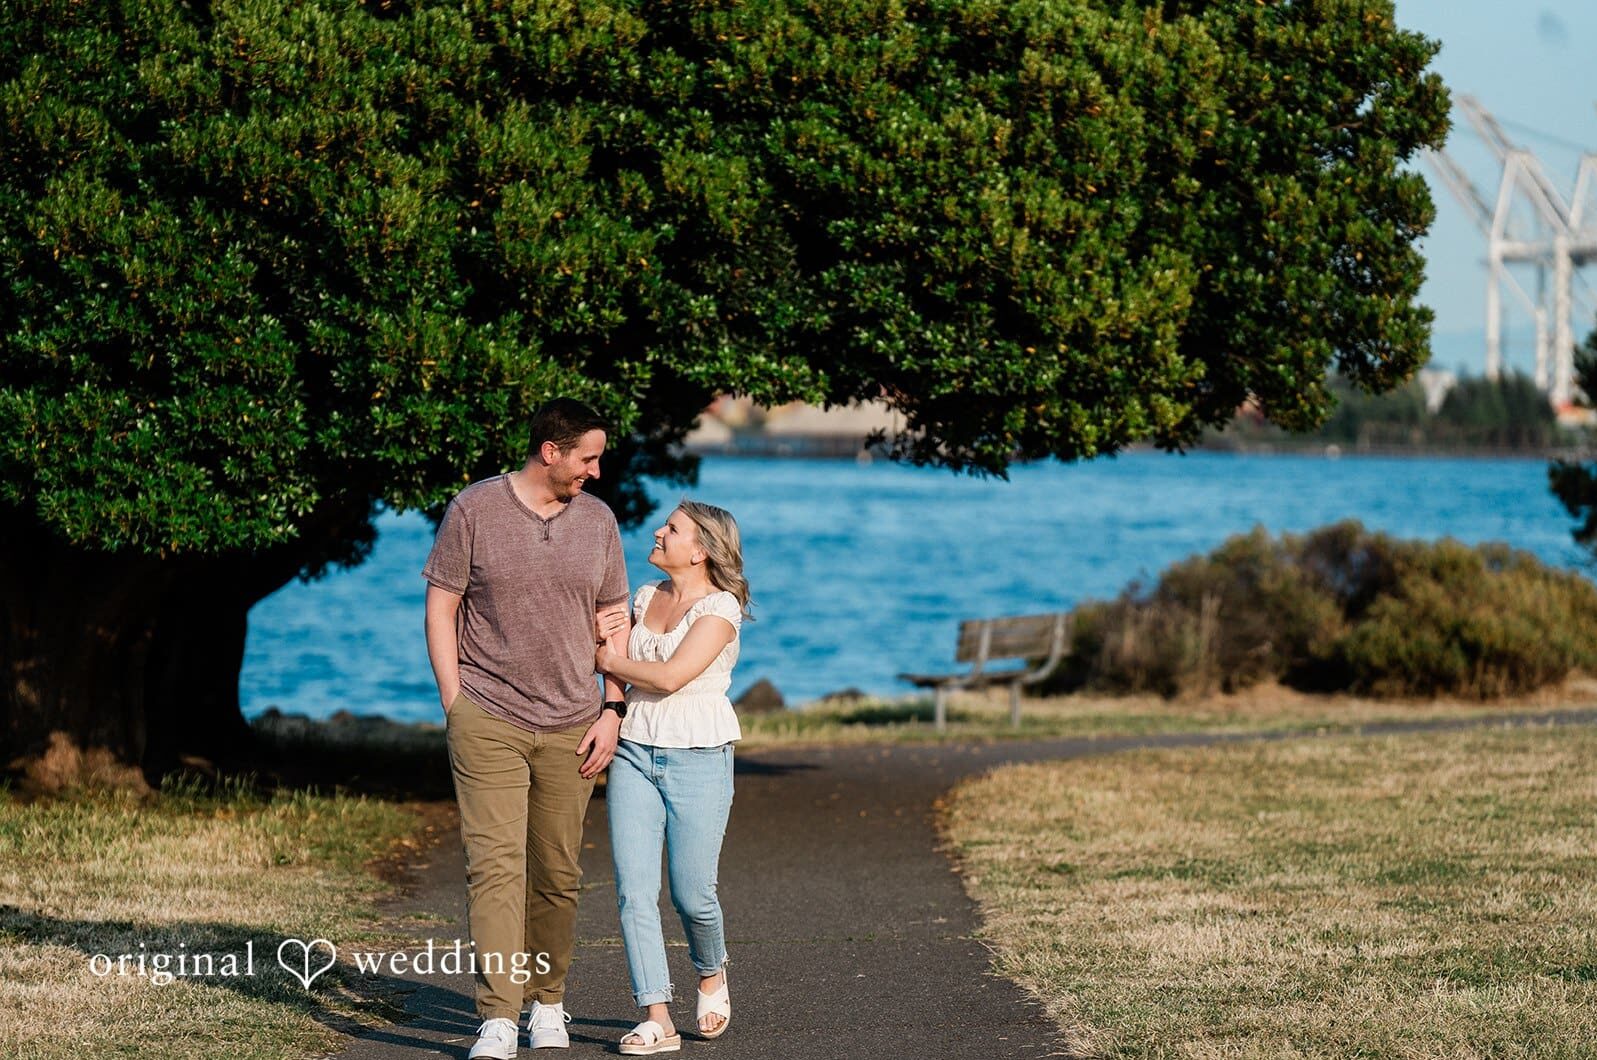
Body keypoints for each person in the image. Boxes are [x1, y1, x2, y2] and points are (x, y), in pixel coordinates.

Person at [423, 398, 633, 1059]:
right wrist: (454, 701)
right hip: (488, 716)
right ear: (551, 452)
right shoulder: (473, 509)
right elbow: (441, 605)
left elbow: (616, 621)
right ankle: (496, 1015)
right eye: (588, 458)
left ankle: (547, 1002)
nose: (596, 471)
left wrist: (613, 709)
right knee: (493, 870)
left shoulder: (598, 521)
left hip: (574, 723)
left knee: (556, 874)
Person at [591, 500, 750, 1056]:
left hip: (699, 756)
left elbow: (670, 676)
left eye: (673, 528)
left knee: (692, 894)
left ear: (700, 550)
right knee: (634, 891)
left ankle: (710, 970)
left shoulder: (721, 609)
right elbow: (615, 663)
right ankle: (656, 1017)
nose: (659, 532)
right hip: (635, 750)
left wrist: (610, 659)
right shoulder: (644, 597)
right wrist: (607, 679)